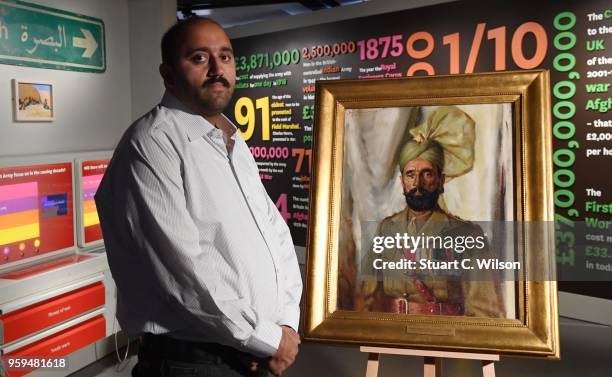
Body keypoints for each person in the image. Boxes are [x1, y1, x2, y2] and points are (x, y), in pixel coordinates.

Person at [95, 17, 302, 377]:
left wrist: (285, 325)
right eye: (199, 58)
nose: (218, 69)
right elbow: (185, 276)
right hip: (192, 363)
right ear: (168, 74)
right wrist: (270, 339)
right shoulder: (151, 144)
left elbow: (276, 237)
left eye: (225, 56)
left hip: (249, 353)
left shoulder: (233, 143)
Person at [360, 106, 505, 318]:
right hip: (392, 332)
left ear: (441, 181)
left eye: (427, 174)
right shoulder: (386, 229)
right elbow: (367, 298)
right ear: (402, 182)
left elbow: (485, 310)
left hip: (443, 335)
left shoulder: (467, 235)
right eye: (410, 174)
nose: (417, 183)